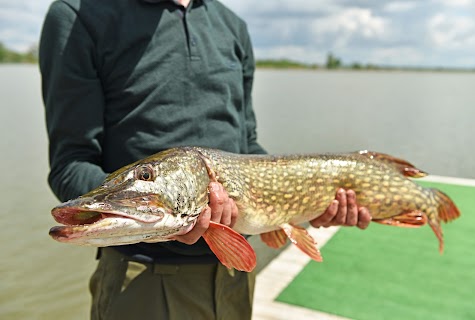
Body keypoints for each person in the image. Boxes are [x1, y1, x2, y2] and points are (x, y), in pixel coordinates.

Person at [39, 0, 371, 319]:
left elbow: (247, 145)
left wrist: (306, 200)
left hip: (234, 280)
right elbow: (71, 163)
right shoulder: (77, 16)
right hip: (143, 283)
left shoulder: (231, 26)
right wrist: (166, 219)